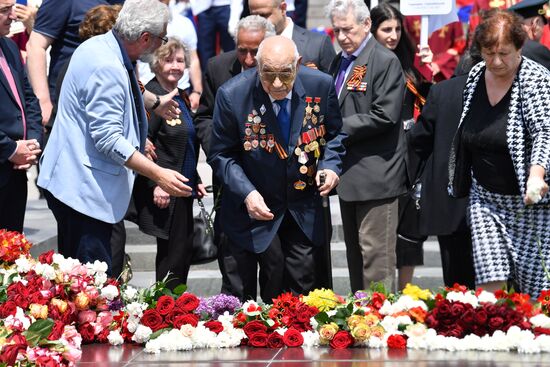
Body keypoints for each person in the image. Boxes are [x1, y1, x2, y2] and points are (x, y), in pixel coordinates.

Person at [37, 0, 192, 275]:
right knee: (91, 288)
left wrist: (155, 103)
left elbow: (126, 86)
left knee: (84, 287)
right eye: (161, 39)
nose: (160, 45)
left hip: (76, 184)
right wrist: (159, 174)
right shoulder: (105, 65)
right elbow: (109, 140)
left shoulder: (102, 46)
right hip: (82, 192)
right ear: (145, 38)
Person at [208, 36, 346, 301]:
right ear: (256, 67)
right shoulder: (233, 95)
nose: (278, 84)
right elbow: (221, 154)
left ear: (298, 64)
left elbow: (336, 135)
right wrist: (247, 192)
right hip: (252, 208)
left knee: (301, 300)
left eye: (286, 73)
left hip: (301, 208)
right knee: (242, 300)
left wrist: (330, 166)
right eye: (268, 74)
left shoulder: (321, 85)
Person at [448, 9, 550, 298]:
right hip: (486, 200)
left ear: (520, 48)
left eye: (504, 53)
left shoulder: (536, 80)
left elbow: (544, 130)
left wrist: (536, 175)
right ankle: (492, 329)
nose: (495, 61)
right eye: (488, 52)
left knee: (536, 290)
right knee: (489, 276)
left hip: (529, 203)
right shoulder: (477, 74)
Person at [327, 0, 406, 293]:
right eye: (337, 31)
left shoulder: (384, 60)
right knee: (355, 256)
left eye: (348, 29)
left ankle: (379, 324)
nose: (343, 36)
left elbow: (384, 114)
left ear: (366, 25)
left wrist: (336, 126)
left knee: (376, 258)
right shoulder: (341, 61)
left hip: (377, 174)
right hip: (349, 173)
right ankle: (361, 318)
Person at [195, 15, 275, 294]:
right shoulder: (218, 67)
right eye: (242, 50)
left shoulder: (280, 66)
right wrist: (218, 147)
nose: (249, 59)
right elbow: (203, 117)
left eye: (256, 50)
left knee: (275, 271)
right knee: (234, 271)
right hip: (230, 182)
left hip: (271, 187)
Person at [133, 38, 207, 289]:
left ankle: (176, 309)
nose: (176, 66)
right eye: (168, 60)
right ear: (155, 63)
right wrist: (156, 184)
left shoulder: (181, 96)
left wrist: (194, 178)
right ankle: (166, 312)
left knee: (182, 253)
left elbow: (185, 142)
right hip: (165, 191)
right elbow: (143, 146)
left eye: (180, 60)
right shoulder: (153, 98)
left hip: (182, 189)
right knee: (171, 257)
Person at [370, 3, 432, 290]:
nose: (393, 35)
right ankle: (382, 292)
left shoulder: (410, 64)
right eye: (386, 29)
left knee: (410, 226)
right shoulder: (364, 64)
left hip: (409, 154)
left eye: (397, 29)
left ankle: (406, 293)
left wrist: (430, 70)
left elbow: (431, 102)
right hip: (378, 155)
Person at [0, 0, 42, 232]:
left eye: (13, 9)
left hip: (16, 171)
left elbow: (29, 100)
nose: (13, 16)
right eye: (4, 11)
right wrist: (11, 150)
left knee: (12, 254)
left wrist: (33, 144)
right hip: (7, 156)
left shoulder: (9, 48)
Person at [138, 0, 204, 111]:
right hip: (148, 91)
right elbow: (135, 61)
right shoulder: (139, 24)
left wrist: (197, 91)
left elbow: (193, 59)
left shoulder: (184, 23)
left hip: (182, 92)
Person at [248, 0, 335, 73]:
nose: (259, 22)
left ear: (283, 8)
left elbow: (332, 88)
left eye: (264, 15)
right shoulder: (247, 48)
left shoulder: (318, 44)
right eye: (254, 16)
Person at [193, 0, 235, 71]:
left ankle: (233, 76)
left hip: (226, 5)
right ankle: (208, 80)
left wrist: (235, 16)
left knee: (230, 50)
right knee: (205, 52)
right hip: (202, 7)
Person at [509, 0, 550, 70]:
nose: (542, 31)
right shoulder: (537, 50)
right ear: (535, 24)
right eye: (542, 24)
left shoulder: (506, 45)